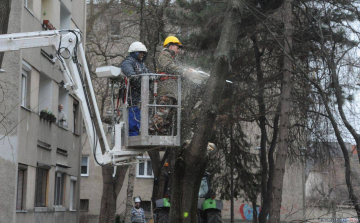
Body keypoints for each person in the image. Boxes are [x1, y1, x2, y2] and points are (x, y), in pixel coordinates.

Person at [119, 41, 150, 136]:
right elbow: (131, 75)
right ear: (135, 52)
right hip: (131, 96)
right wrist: (139, 79)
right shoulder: (127, 62)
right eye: (141, 53)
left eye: (143, 53)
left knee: (139, 115)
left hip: (140, 96)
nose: (142, 55)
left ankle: (138, 132)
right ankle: (133, 134)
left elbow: (148, 73)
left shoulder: (141, 65)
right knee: (133, 116)